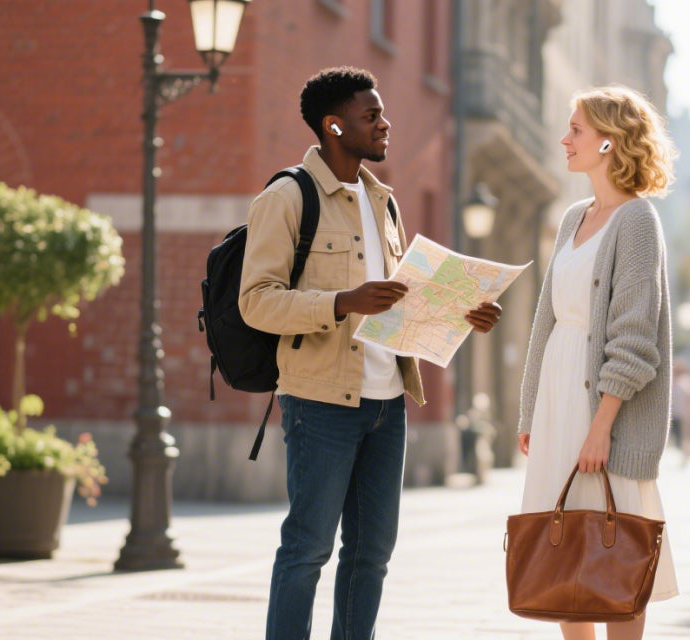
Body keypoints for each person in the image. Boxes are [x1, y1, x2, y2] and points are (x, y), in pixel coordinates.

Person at [240, 67, 503, 640]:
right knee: (307, 549)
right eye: (371, 115)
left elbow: (397, 302)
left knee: (371, 555)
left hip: (389, 403)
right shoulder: (287, 197)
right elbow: (256, 303)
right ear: (334, 126)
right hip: (320, 400)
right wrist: (341, 302)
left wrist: (464, 312)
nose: (386, 124)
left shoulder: (382, 201)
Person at [516, 84, 679, 640]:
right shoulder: (571, 218)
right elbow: (548, 322)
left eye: (577, 130)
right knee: (564, 556)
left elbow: (635, 342)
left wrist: (600, 428)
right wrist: (530, 412)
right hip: (558, 406)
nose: (565, 139)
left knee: (615, 555)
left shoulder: (636, 222)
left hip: (603, 413)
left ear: (610, 142)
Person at [670, 359, 690, 466]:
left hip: (685, 414)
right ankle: (685, 452)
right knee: (680, 436)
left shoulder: (686, 380)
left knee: (685, 436)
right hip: (677, 413)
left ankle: (686, 454)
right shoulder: (673, 380)